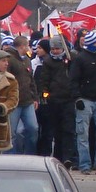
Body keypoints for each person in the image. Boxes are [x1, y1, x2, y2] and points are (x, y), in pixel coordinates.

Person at [69, 30, 96, 174]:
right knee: (83, 134)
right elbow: (73, 80)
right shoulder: (80, 59)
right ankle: (85, 164)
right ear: (92, 44)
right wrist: (77, 98)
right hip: (85, 100)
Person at [34, 36, 75, 166]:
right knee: (55, 130)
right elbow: (44, 81)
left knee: (68, 129)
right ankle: (57, 156)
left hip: (68, 99)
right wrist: (45, 95)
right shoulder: (48, 62)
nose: (55, 51)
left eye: (58, 48)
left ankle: (67, 156)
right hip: (54, 100)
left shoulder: (70, 58)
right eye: (53, 49)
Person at [3, 35, 40, 155]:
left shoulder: (26, 60)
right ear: (22, 46)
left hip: (27, 101)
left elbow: (31, 79)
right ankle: (11, 157)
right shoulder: (9, 59)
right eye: (27, 45)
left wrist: (35, 97)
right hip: (14, 102)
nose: (29, 48)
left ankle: (30, 154)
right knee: (12, 133)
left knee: (33, 128)